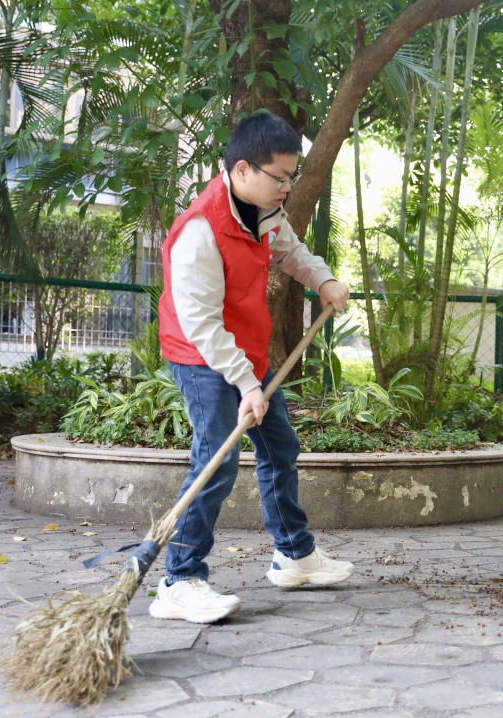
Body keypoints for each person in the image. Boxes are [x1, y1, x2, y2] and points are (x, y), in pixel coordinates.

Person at [151, 112, 354, 624]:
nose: (287, 188)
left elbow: (292, 253)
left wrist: (324, 280)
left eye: (292, 177)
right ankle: (179, 579)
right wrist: (246, 384)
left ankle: (294, 555)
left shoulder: (264, 211)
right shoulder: (200, 229)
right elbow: (200, 324)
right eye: (279, 177)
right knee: (216, 462)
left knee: (279, 446)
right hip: (202, 356)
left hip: (248, 352)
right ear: (243, 170)